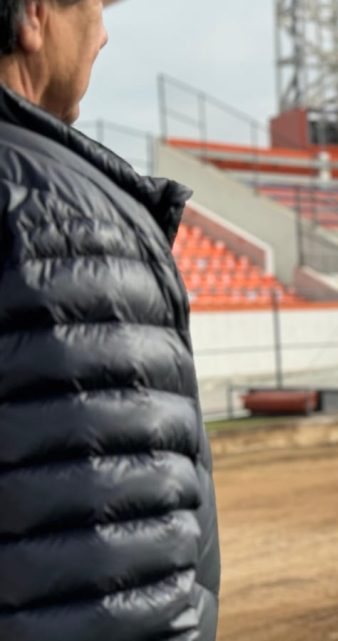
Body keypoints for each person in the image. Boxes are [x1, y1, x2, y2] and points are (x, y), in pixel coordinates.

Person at [0, 2, 220, 640]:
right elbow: (117, 571)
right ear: (36, 17)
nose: (103, 33)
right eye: (95, 7)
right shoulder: (62, 221)